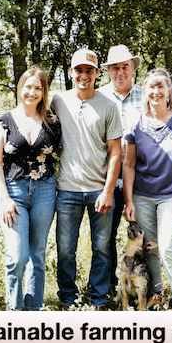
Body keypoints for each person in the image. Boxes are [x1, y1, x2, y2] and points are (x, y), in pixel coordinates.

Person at [52, 49, 123, 310]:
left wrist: (107, 191)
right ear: (71, 72)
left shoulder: (109, 106)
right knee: (65, 250)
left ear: (97, 73)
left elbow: (116, 153)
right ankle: (67, 299)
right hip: (67, 190)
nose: (84, 75)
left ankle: (98, 299)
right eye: (79, 70)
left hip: (99, 191)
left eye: (89, 70)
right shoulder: (58, 101)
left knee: (102, 249)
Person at [122, 68, 172, 311]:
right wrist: (129, 201)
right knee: (149, 247)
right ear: (145, 93)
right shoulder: (136, 121)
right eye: (151, 88)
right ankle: (157, 296)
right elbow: (129, 163)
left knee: (167, 247)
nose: (156, 92)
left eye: (161, 87)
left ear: (168, 91)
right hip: (142, 195)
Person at [0, 68, 62, 310]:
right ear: (20, 88)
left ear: (44, 93)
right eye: (28, 87)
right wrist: (4, 198)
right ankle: (14, 310)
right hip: (14, 192)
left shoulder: (52, 122)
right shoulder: (3, 121)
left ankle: (34, 310)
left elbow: (63, 153)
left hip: (45, 191)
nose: (32, 92)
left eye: (38, 88)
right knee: (17, 256)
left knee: (37, 255)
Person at [99, 44, 143, 298]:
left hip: (139, 177)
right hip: (106, 177)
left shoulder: (146, 95)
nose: (120, 72)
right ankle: (104, 291)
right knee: (104, 238)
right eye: (114, 67)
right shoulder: (99, 97)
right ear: (107, 71)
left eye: (125, 66)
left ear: (133, 68)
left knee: (138, 236)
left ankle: (137, 290)